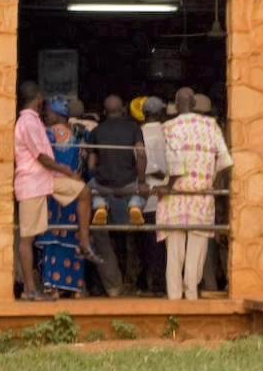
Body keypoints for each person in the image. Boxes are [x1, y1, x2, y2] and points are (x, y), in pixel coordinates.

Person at [14, 81, 101, 302]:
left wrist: (64, 174)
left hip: (47, 179)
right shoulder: (28, 122)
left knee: (83, 192)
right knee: (26, 238)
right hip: (33, 182)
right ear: (38, 98)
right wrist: (65, 170)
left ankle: (83, 243)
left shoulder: (37, 123)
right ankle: (30, 290)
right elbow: (40, 157)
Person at [157, 87, 232, 301]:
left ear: (175, 103)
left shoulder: (168, 127)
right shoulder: (211, 125)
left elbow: (170, 164)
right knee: (197, 250)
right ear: (194, 104)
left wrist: (165, 186)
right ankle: (191, 294)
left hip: (174, 197)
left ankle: (174, 296)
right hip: (201, 196)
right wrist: (215, 185)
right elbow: (225, 161)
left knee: (174, 251)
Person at [87, 95, 148, 297]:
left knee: (100, 233)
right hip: (129, 185)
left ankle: (113, 287)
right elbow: (140, 154)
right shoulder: (133, 128)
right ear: (123, 110)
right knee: (131, 234)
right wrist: (140, 181)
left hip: (104, 186)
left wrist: (104, 176)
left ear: (105, 112)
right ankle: (135, 204)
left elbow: (90, 165)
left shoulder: (96, 131)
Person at [34, 97, 87, 297]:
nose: (45, 115)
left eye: (48, 111)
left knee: (52, 238)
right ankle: (75, 288)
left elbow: (41, 159)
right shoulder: (81, 134)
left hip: (53, 191)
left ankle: (51, 285)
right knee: (73, 237)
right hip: (75, 192)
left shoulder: (48, 134)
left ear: (58, 113)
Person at [136, 96, 170, 297]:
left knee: (146, 243)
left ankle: (146, 283)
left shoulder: (137, 132)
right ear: (161, 113)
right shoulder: (167, 131)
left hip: (143, 193)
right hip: (165, 193)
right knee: (162, 244)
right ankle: (160, 285)